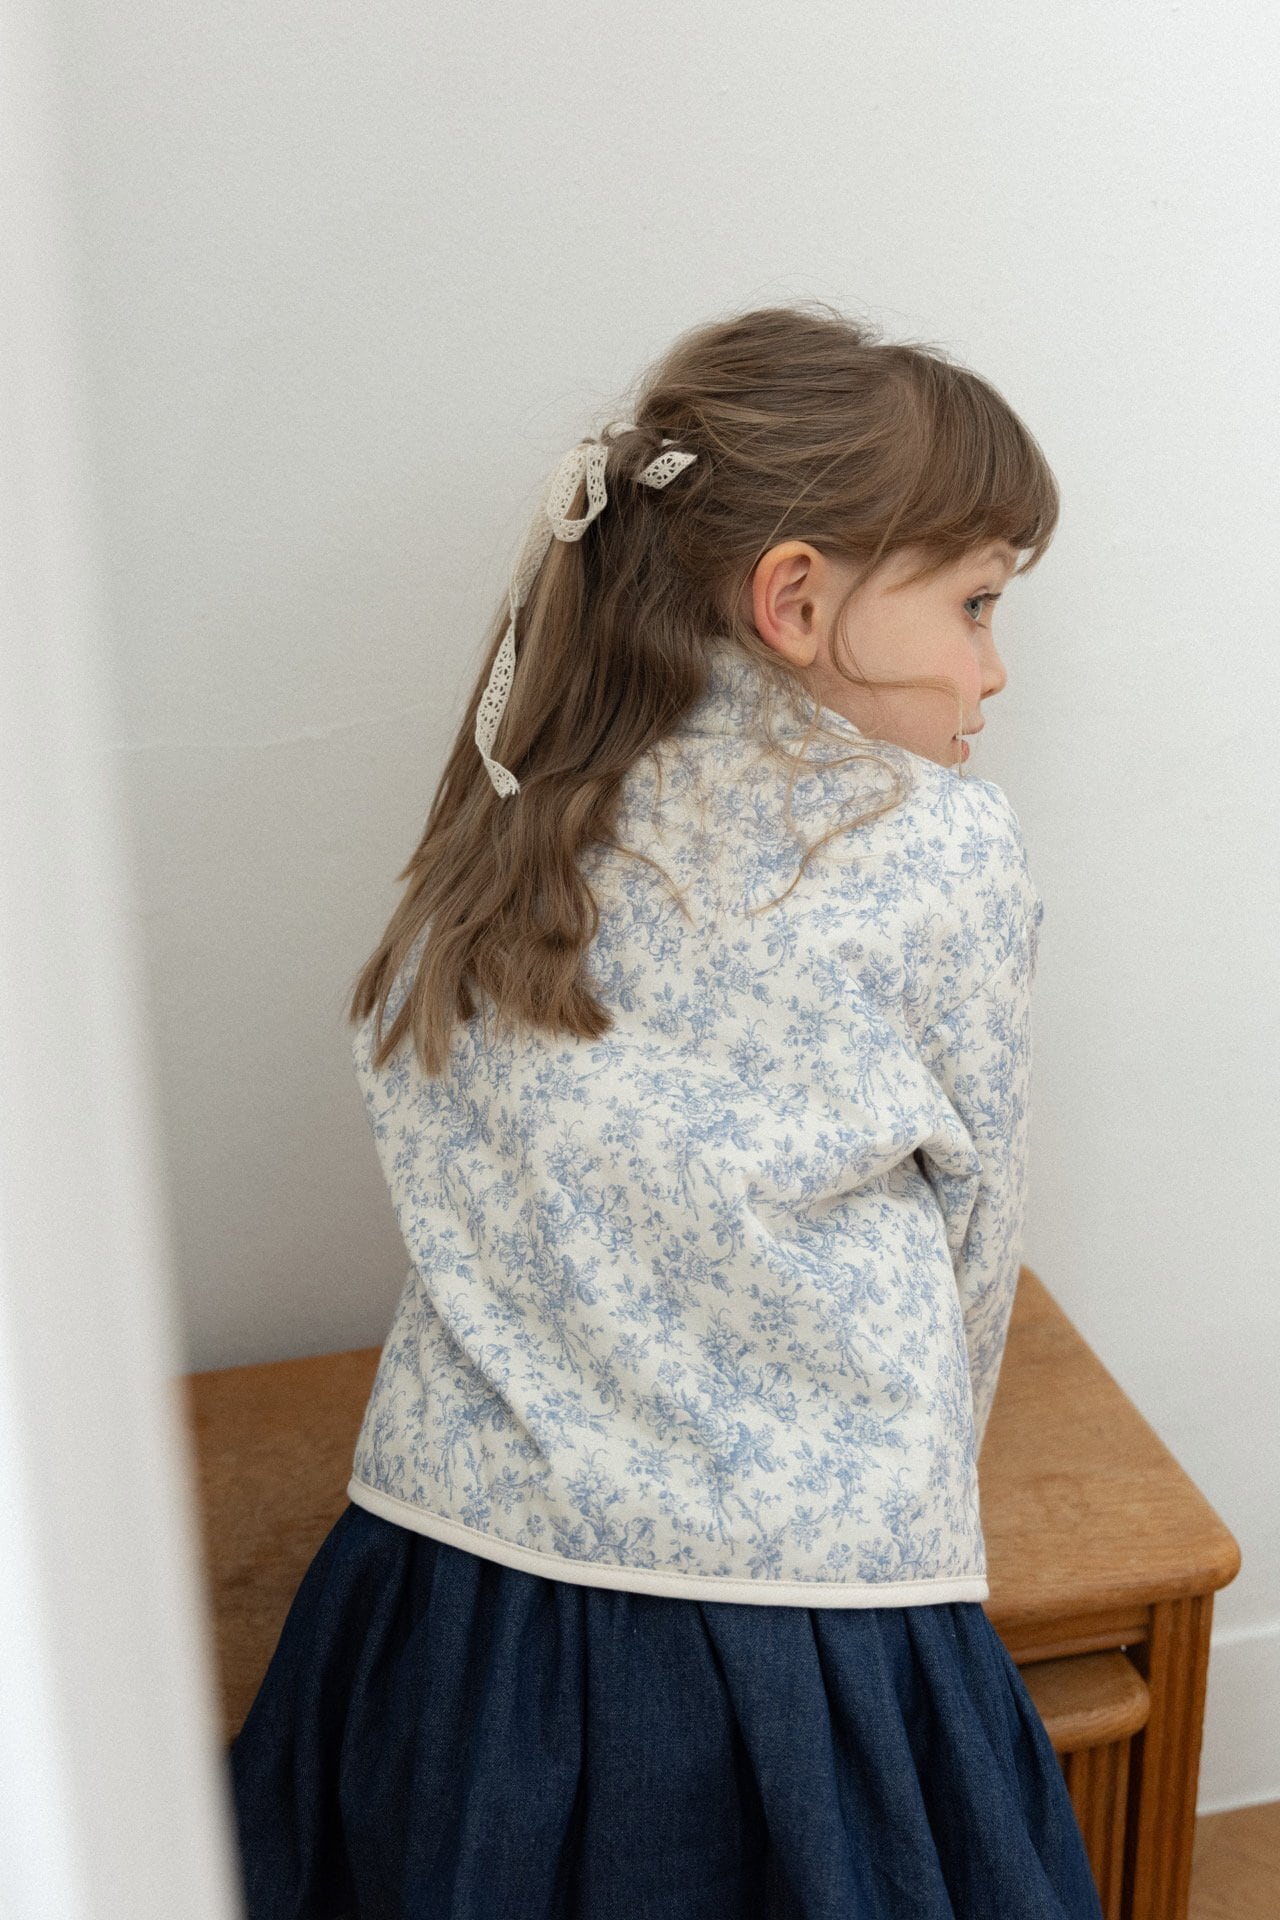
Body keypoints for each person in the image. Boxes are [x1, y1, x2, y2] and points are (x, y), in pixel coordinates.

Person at [227, 300, 1104, 1919]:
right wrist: (919, 1523)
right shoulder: (944, 845)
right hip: (807, 1610)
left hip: (447, 1594)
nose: (994, 670)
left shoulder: (520, 811)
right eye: (978, 604)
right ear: (797, 600)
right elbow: (972, 1246)